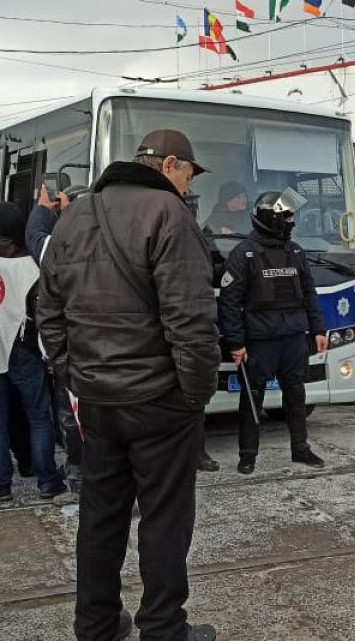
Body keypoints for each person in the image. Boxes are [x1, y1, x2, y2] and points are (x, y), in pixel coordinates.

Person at [37, 129, 221, 641]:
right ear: (169, 165)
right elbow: (191, 320)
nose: (188, 185)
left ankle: (95, 625)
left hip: (96, 398)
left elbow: (47, 308)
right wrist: (195, 393)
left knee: (101, 514)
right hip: (159, 398)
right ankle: (163, 627)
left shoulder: (74, 215)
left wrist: (72, 372)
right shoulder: (170, 215)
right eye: (188, 172)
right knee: (164, 516)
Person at [218, 189, 328, 475]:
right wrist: (236, 343)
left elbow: (309, 294)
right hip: (260, 341)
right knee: (252, 399)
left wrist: (318, 329)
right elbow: (229, 304)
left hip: (293, 338)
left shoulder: (295, 252)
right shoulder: (244, 254)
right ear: (273, 219)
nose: (293, 221)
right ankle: (248, 455)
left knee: (296, 395)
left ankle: (300, 449)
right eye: (288, 216)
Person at [0, 201, 66, 503]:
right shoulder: (34, 267)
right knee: (39, 417)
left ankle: (2, 486)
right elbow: (43, 316)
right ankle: (48, 482)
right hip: (25, 350)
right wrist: (51, 354)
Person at [26, 185, 85, 503]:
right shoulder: (121, 240)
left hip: (76, 354)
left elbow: (35, 235)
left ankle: (82, 485)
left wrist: (42, 208)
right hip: (113, 350)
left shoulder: (60, 245)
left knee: (72, 418)